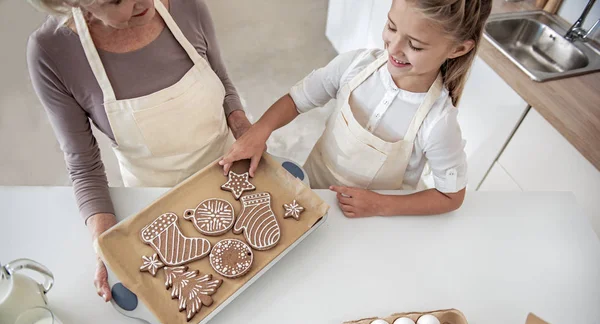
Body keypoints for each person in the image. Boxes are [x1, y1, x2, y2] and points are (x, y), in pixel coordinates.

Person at [27, 0, 251, 302]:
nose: (146, 2)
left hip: (231, 171)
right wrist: (106, 246)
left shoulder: (186, 5)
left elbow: (222, 81)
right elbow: (84, 166)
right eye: (118, 0)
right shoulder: (52, 53)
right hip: (157, 206)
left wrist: (247, 132)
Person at [221, 0, 492, 218]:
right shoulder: (355, 65)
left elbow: (450, 196)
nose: (393, 48)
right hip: (310, 187)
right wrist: (261, 130)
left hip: (368, 220)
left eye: (415, 45)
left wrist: (380, 205)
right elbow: (296, 100)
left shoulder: (438, 123)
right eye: (391, 26)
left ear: (458, 48)